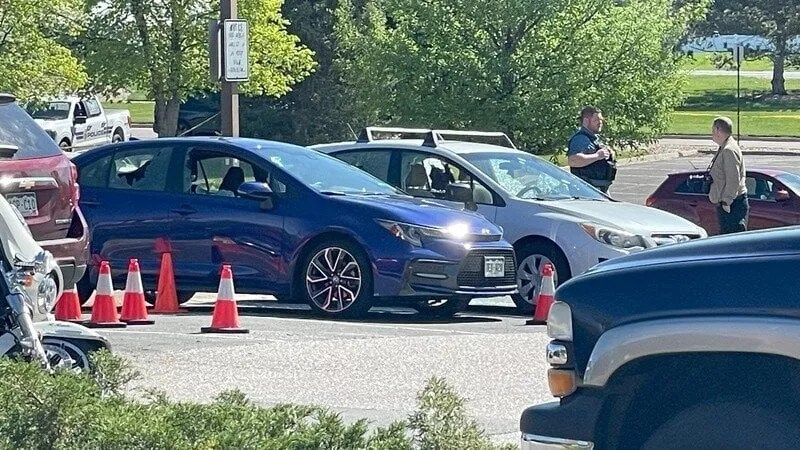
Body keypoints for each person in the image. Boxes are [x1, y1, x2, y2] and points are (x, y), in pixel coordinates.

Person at [707, 116, 748, 234]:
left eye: (713, 129)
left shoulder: (729, 150)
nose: (711, 133)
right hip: (729, 202)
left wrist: (726, 201)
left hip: (732, 204)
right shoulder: (725, 147)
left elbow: (733, 179)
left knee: (730, 241)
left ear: (718, 130)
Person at [567, 106, 617, 193]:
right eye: (596, 120)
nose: (600, 122)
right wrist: (597, 156)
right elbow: (573, 160)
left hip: (599, 189)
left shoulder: (594, 138)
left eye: (601, 120)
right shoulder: (581, 139)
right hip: (586, 190)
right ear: (586, 121)